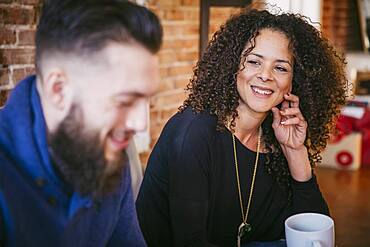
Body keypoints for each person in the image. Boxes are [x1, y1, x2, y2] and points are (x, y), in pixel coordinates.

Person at [136, 7, 349, 247]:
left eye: (280, 67)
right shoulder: (193, 133)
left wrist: (296, 152)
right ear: (233, 67)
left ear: (293, 81)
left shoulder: (276, 134)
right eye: (254, 62)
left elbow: (314, 237)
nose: (265, 75)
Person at [0, 0, 162, 246]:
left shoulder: (108, 152)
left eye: (146, 100)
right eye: (125, 101)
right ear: (59, 90)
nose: (140, 123)